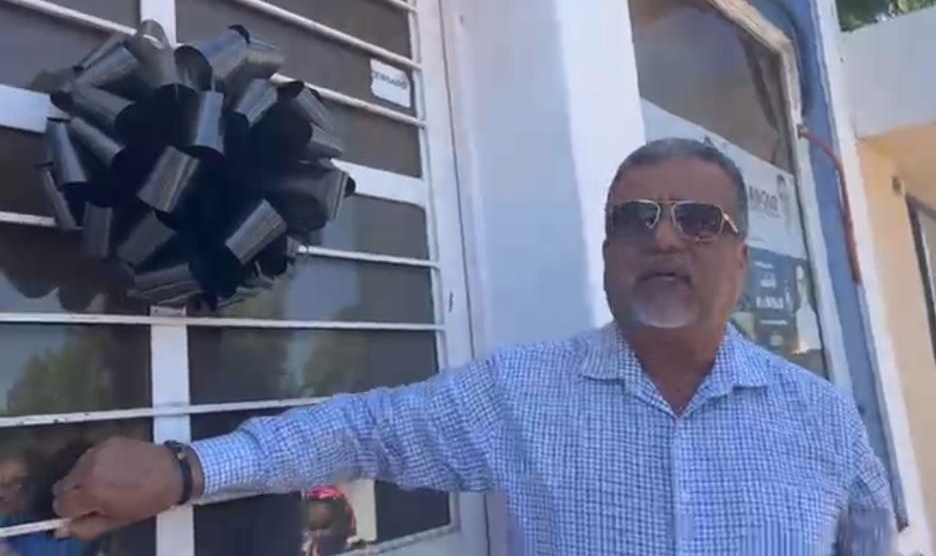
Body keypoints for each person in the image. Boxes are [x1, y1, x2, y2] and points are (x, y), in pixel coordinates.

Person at [50, 138, 894, 554]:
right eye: (637, 219)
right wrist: (187, 468)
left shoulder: (824, 422)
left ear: (741, 258)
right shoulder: (526, 394)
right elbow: (364, 430)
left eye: (700, 220)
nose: (665, 239)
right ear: (607, 252)